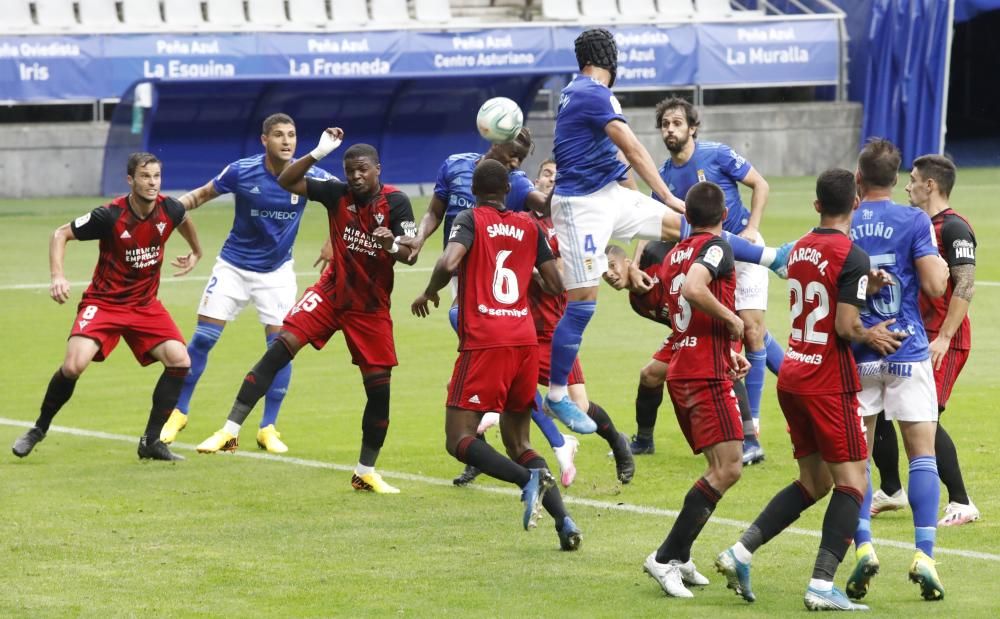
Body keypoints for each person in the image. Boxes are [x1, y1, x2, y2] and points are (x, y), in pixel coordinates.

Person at [543, 28, 790, 433]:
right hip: (580, 206)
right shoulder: (592, 93)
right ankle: (556, 397)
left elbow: (615, 157)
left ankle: (771, 257)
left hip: (608, 195)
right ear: (610, 58)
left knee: (689, 227)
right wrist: (666, 196)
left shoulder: (584, 93)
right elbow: (635, 148)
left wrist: (647, 208)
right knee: (583, 303)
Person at [715, 169, 905, 611]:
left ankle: (739, 553)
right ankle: (821, 585)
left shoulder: (800, 247)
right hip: (827, 382)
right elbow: (843, 325)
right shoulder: (853, 254)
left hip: (795, 375)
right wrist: (871, 333)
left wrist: (861, 288)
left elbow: (823, 289)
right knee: (854, 482)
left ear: (816, 205)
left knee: (814, 481)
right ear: (856, 203)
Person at [195, 129, 418, 495]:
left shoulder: (397, 202)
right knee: (280, 347)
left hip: (370, 308)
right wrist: (317, 153)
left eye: (362, 169)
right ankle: (230, 431)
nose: (356, 176)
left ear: (378, 169)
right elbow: (287, 179)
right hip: (331, 294)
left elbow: (411, 254)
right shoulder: (337, 194)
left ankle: (365, 471)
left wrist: (392, 243)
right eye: (350, 171)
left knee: (379, 392)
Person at [411, 159, 582, 550]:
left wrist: (430, 291)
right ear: (509, 191)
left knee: (458, 439)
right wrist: (530, 272)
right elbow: (556, 284)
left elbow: (448, 261)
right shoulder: (530, 225)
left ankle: (528, 481)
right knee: (519, 444)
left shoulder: (470, 218)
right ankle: (566, 522)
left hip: (486, 341)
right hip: (524, 341)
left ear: (474, 191)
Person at [159, 113, 335, 454]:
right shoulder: (242, 170)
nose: (287, 141)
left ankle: (268, 427)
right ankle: (178, 412)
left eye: (292, 135)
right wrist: (160, 216)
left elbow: (342, 200)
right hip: (233, 268)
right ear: (264, 140)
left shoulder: (309, 173)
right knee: (204, 339)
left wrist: (332, 239)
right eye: (279, 135)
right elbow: (197, 197)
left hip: (277, 274)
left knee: (281, 349)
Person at [11, 152, 202, 462]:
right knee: (73, 366)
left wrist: (196, 251)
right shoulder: (110, 215)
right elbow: (60, 234)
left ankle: (151, 442)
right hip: (105, 304)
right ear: (130, 180)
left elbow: (183, 218)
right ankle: (38, 428)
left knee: (180, 361)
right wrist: (57, 275)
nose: (152, 183)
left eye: (156, 176)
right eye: (145, 177)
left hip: (144, 305)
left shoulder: (170, 208)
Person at [843, 139, 949, 602]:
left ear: (860, 179)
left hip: (860, 350)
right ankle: (924, 554)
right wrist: (940, 268)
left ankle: (864, 545)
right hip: (906, 346)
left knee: (859, 455)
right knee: (921, 451)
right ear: (896, 176)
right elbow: (933, 283)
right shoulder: (914, 219)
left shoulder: (845, 223)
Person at [653, 96, 784, 455]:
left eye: (677, 123)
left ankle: (751, 429)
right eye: (665, 124)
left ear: (692, 128)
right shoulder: (663, 177)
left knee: (750, 331)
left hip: (742, 249)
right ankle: (797, 381)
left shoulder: (718, 154)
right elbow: (656, 224)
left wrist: (752, 229)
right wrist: (637, 264)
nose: (671, 129)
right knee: (743, 332)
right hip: (708, 260)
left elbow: (761, 184)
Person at [641, 181, 751, 598]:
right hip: (704, 374)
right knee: (729, 468)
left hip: (687, 367)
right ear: (725, 216)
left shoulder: (674, 255)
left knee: (715, 466)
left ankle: (682, 555)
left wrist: (728, 347)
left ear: (687, 217)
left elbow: (679, 312)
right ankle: (665, 556)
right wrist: (734, 321)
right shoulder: (717, 248)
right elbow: (695, 290)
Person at [870, 155, 979, 527]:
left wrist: (945, 337)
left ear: (930, 185)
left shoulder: (954, 229)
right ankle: (891, 489)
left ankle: (962, 501)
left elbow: (964, 284)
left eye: (913, 179)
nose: (906, 185)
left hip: (942, 338)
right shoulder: (919, 224)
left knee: (925, 418)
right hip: (916, 334)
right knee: (886, 408)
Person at [604, 244, 763, 465]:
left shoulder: (656, 258)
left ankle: (751, 443)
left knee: (727, 368)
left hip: (718, 320)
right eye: (604, 272)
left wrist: (640, 257)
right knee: (649, 375)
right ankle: (644, 441)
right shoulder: (636, 302)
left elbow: (667, 236)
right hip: (688, 330)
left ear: (628, 263)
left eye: (613, 266)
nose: (609, 274)